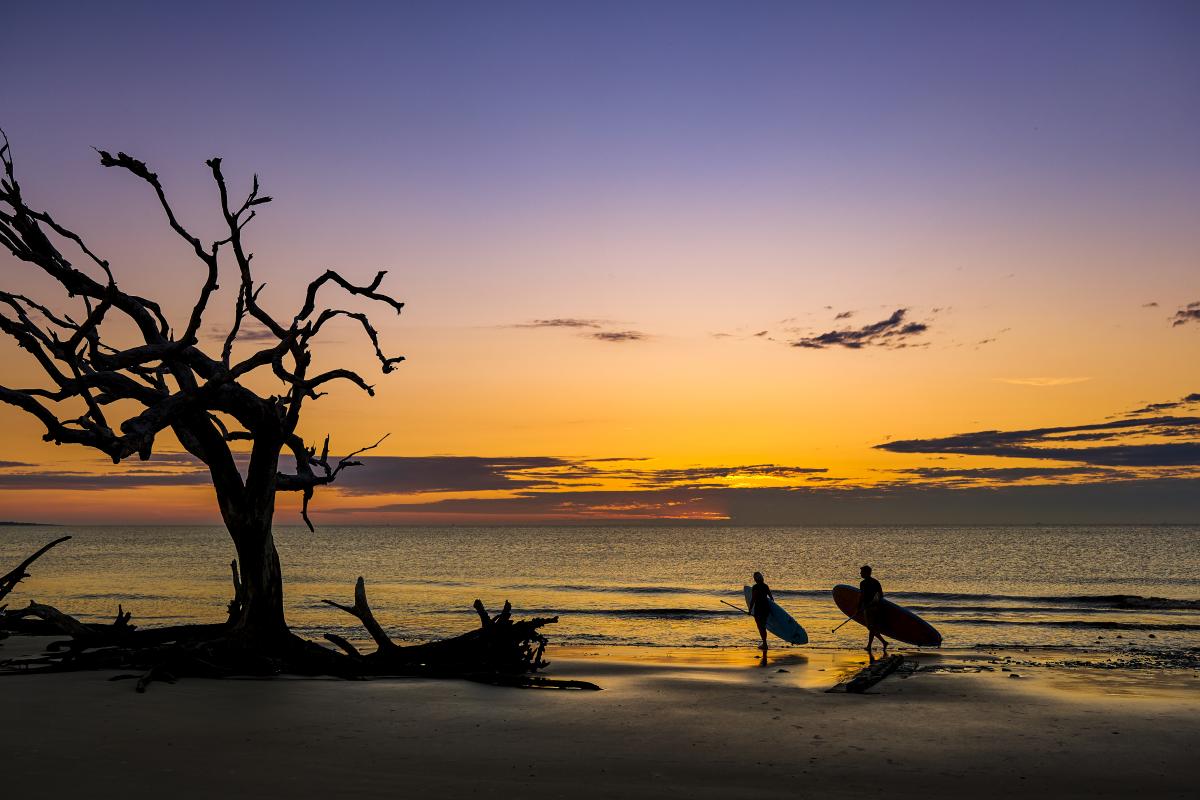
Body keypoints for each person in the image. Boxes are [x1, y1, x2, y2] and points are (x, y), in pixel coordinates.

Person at [856, 565, 888, 660]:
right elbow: (881, 595)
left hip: (868, 608)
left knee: (870, 627)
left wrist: (858, 607)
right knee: (872, 627)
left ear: (866, 573)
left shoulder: (863, 583)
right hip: (876, 607)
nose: (860, 574)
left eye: (862, 572)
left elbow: (862, 596)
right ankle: (880, 643)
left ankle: (875, 644)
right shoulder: (876, 582)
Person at [747, 571, 773, 652]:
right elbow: (771, 598)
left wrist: (750, 610)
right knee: (763, 626)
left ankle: (765, 644)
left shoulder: (755, 587)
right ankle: (764, 643)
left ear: (755, 579)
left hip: (759, 609)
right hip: (766, 609)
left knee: (760, 627)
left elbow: (753, 599)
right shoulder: (766, 586)